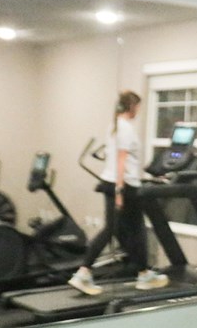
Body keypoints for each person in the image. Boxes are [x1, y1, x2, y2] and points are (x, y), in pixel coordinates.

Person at [68, 90, 169, 295]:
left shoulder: (114, 127)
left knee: (132, 230)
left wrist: (144, 178)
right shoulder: (125, 129)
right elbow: (121, 161)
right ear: (132, 106)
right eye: (138, 107)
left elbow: (121, 160)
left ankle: (143, 273)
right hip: (121, 186)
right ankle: (84, 272)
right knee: (115, 229)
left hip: (115, 182)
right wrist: (120, 191)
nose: (139, 111)